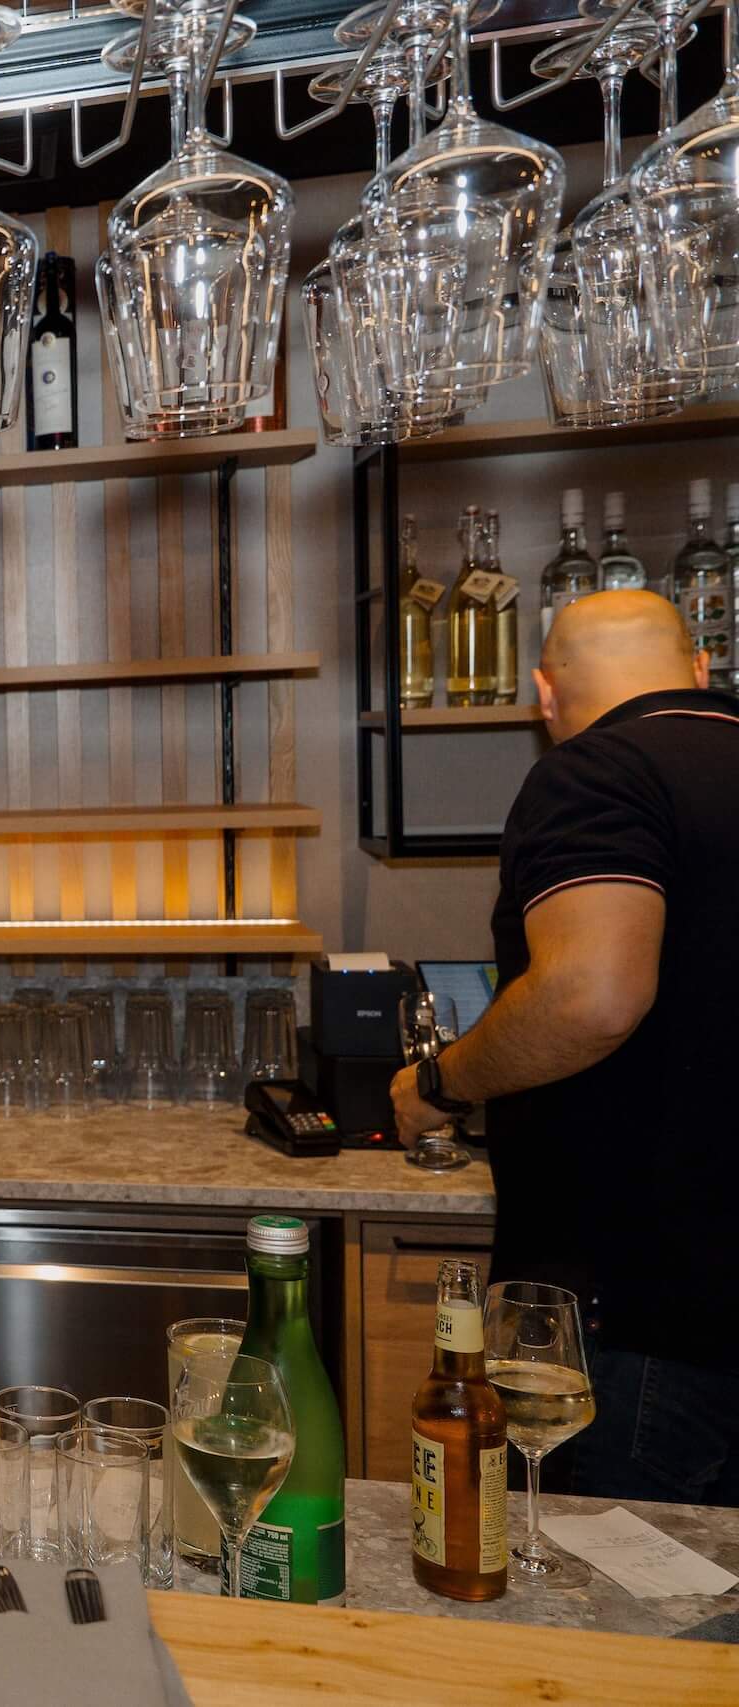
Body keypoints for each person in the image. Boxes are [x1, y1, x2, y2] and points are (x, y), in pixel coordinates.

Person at [390, 590, 739, 1504]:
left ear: (544, 695)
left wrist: (440, 1082)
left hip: (644, 1323)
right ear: (702, 668)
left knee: (602, 1584)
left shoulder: (598, 772)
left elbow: (590, 997)